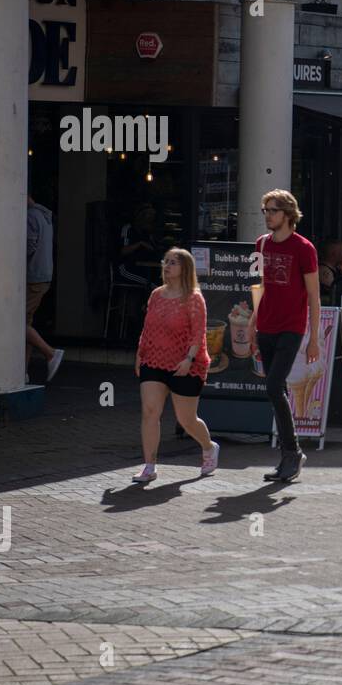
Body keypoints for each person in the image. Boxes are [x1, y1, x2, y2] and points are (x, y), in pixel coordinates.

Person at [131, 248, 218, 484]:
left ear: (185, 268)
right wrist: (141, 353)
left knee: (186, 419)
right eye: (165, 261)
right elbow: (148, 328)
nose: (167, 266)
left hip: (186, 364)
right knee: (150, 411)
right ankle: (149, 466)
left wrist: (189, 359)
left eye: (173, 263)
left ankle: (208, 447)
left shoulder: (194, 298)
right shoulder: (156, 295)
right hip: (154, 360)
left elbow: (198, 333)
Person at [254, 190, 321, 483]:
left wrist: (315, 339)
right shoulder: (260, 244)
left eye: (273, 210)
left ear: (288, 214)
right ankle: (290, 455)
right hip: (265, 326)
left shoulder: (304, 248)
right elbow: (259, 286)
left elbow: (314, 297)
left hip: (292, 327)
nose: (268, 215)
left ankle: (291, 451)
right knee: (274, 388)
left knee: (272, 386)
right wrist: (253, 323)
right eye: (265, 210)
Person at [25, 195, 64, 383]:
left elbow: (28, 247)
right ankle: (21, 372)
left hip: (32, 276)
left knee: (17, 324)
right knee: (26, 324)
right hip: (43, 276)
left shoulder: (31, 216)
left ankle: (50, 353)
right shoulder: (44, 216)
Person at [118, 204, 163, 288]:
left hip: (144, 268)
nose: (150, 219)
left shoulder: (146, 232)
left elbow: (154, 250)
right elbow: (123, 251)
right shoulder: (128, 229)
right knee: (154, 285)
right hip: (127, 268)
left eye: (152, 216)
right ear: (141, 216)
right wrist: (140, 243)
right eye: (148, 215)